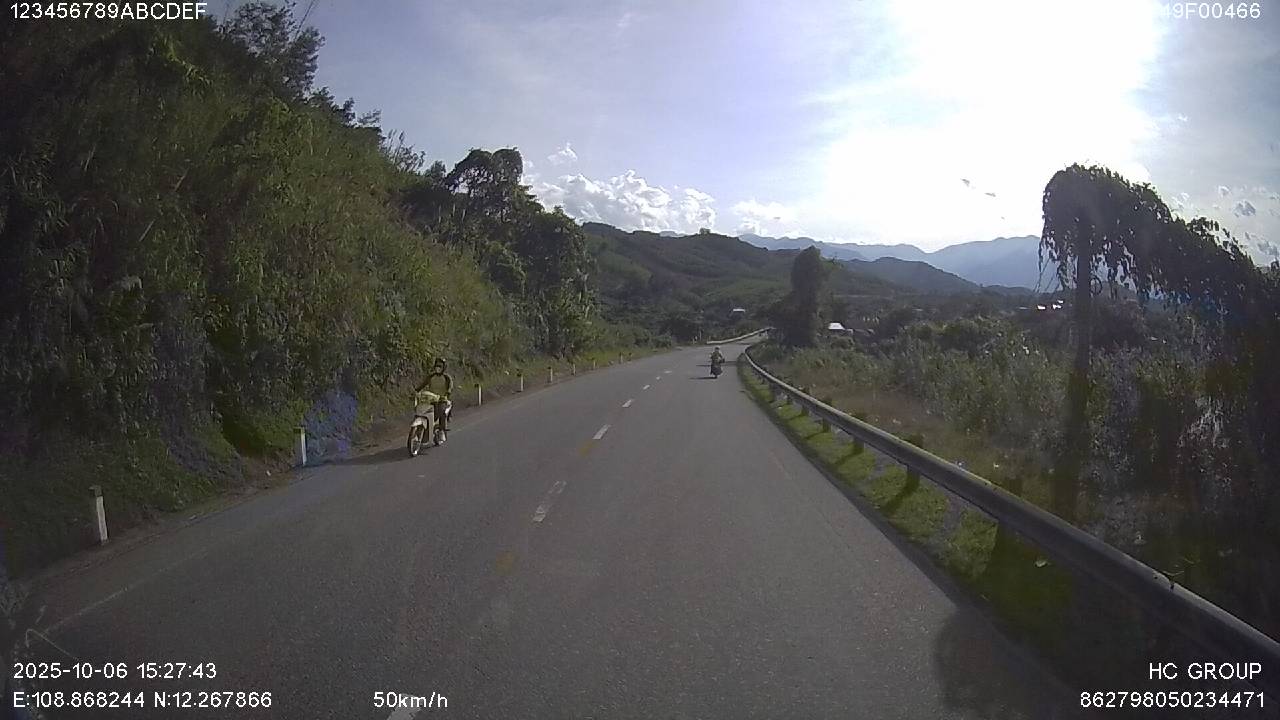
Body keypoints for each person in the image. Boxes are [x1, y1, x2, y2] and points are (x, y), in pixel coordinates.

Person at [415, 358, 454, 434]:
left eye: (440, 366)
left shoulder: (447, 378)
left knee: (441, 412)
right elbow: (423, 384)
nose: (438, 368)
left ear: (444, 367)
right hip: (430, 399)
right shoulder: (431, 377)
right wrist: (417, 390)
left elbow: (450, 387)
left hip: (442, 400)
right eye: (436, 366)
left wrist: (447, 393)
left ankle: (442, 430)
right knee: (422, 410)